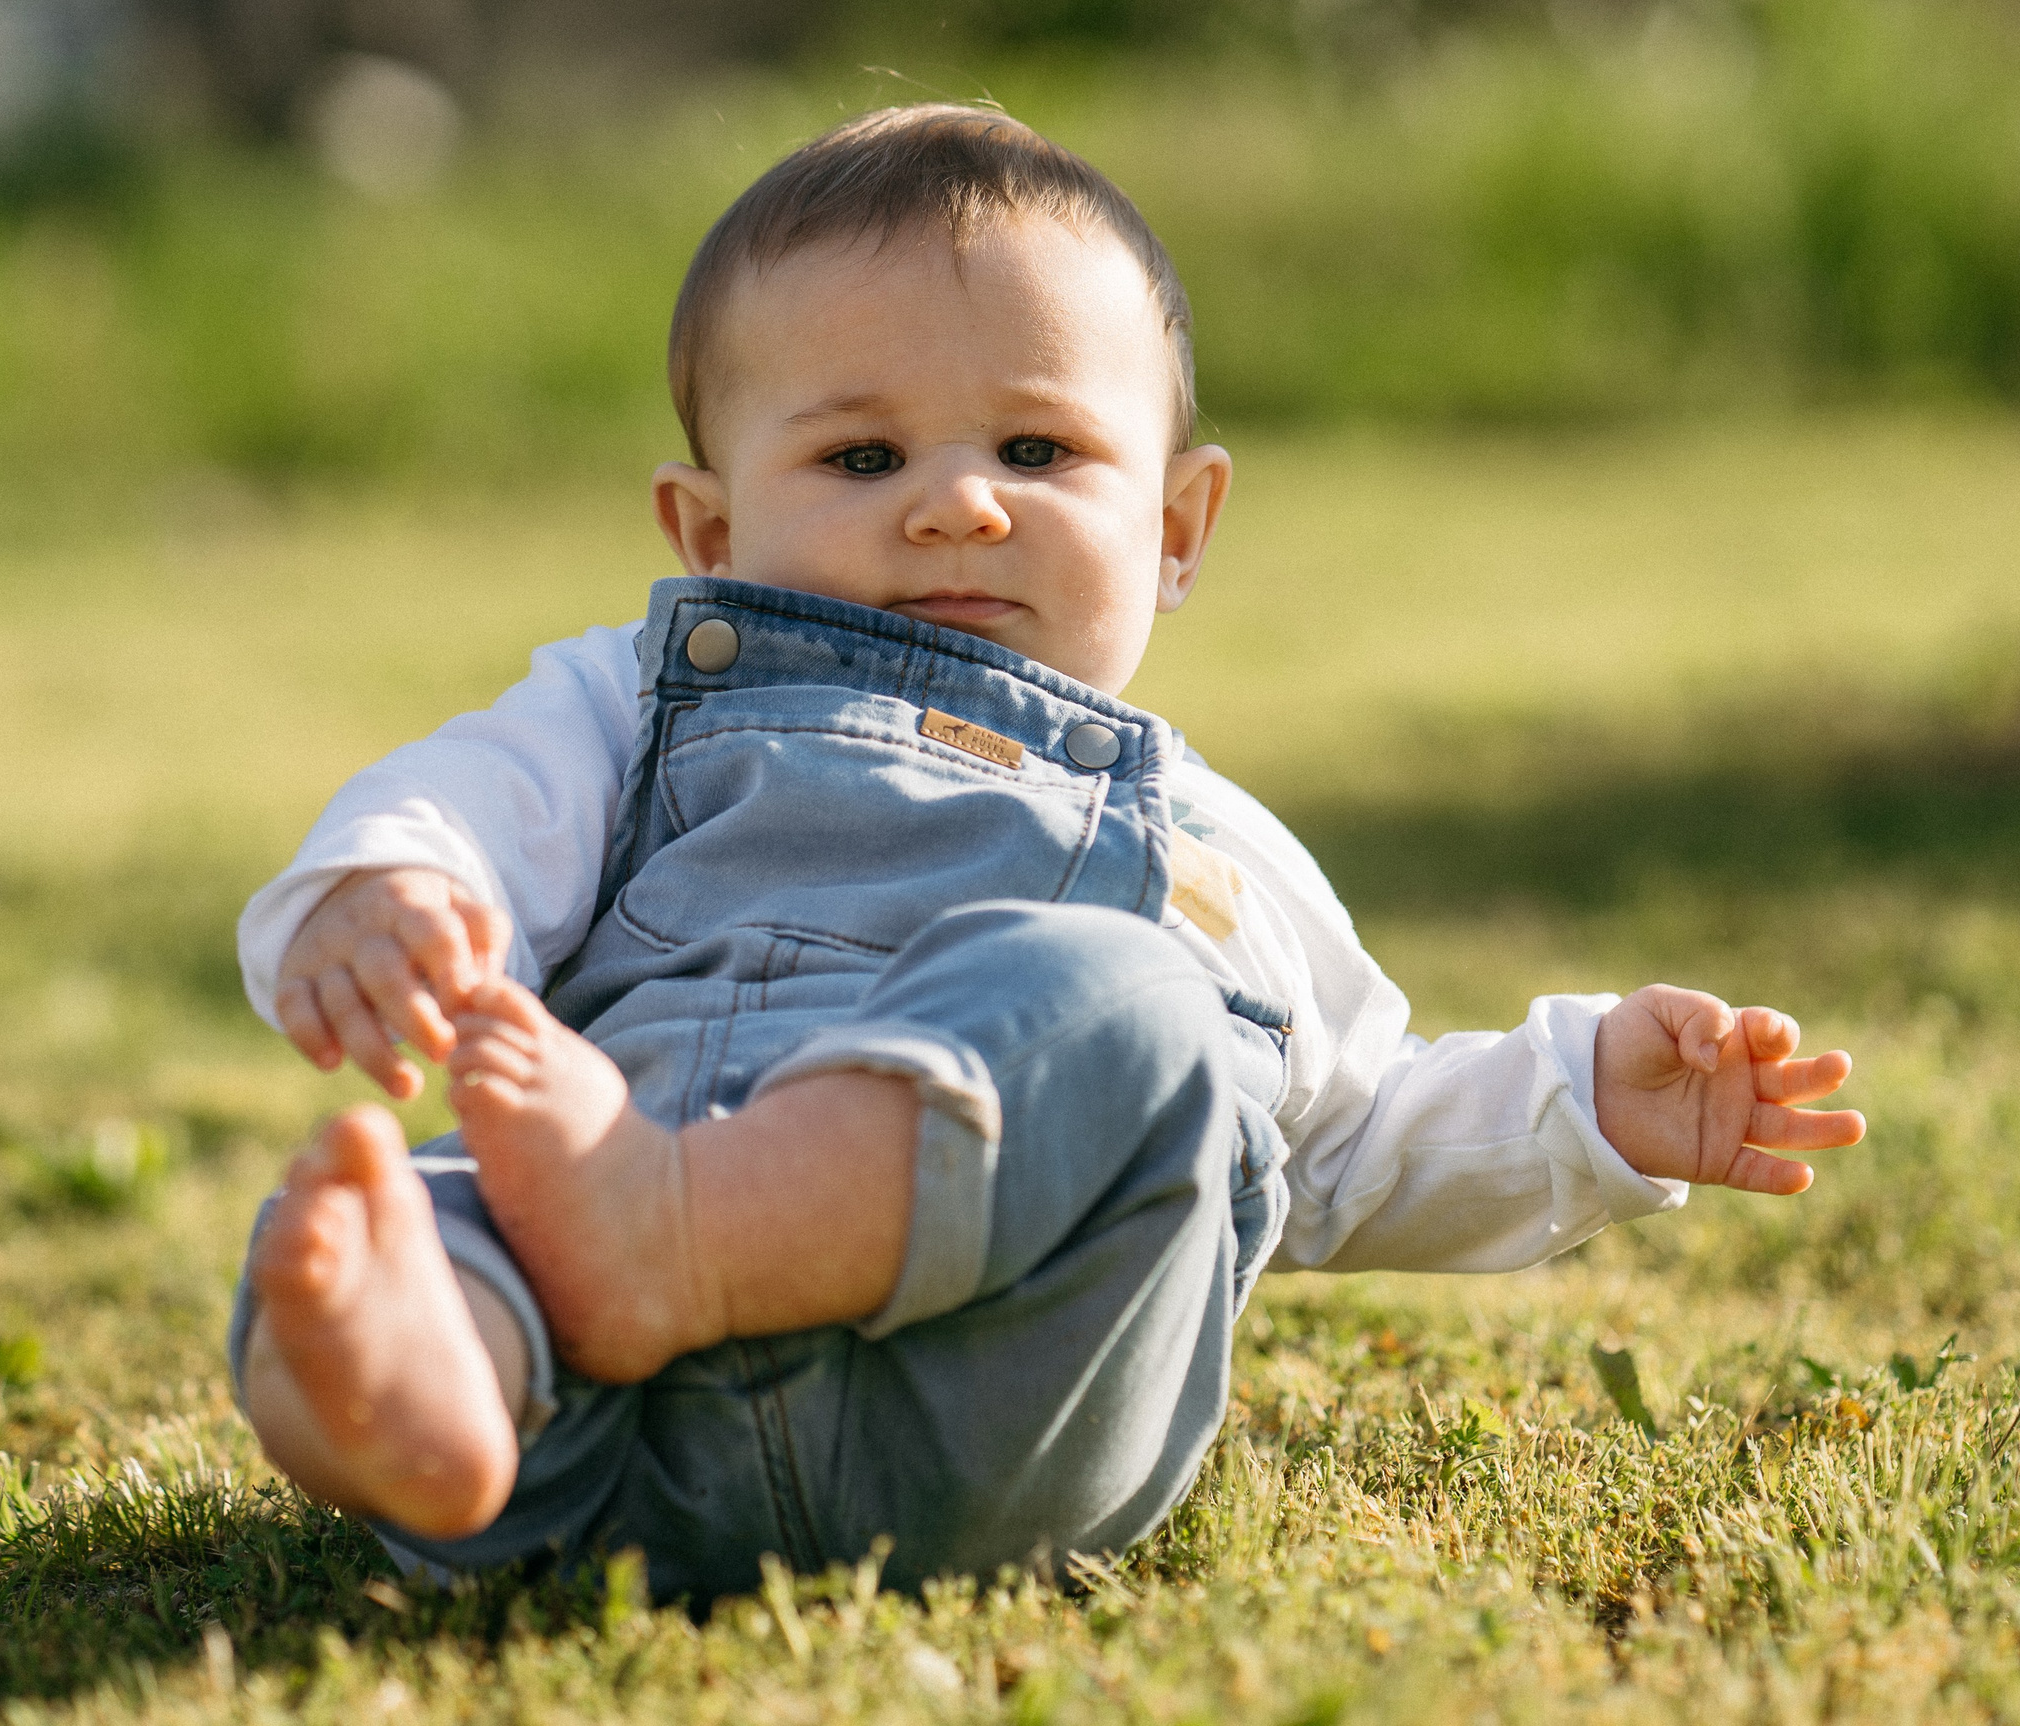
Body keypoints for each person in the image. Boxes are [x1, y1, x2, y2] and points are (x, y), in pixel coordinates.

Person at [224, 105, 1865, 1600]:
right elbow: (473, 798)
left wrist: (1583, 1102)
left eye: (1036, 451)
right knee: (393, 1217)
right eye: (861, 458)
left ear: (1176, 528)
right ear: (713, 533)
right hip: (591, 1406)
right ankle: (430, 1391)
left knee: (1133, 1003)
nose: (958, 504)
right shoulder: (646, 704)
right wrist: (395, 885)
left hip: (989, 1429)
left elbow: (1358, 1134)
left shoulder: (1209, 852)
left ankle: (670, 1237)